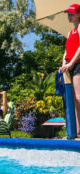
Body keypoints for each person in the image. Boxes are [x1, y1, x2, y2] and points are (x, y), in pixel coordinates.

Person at [60, 4, 80, 138]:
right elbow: (66, 51)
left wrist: (72, 62)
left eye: (72, 14)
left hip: (78, 64)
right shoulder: (70, 32)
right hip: (68, 66)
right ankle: (77, 131)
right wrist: (63, 64)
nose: (69, 16)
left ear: (78, 14)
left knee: (78, 97)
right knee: (72, 99)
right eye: (68, 14)